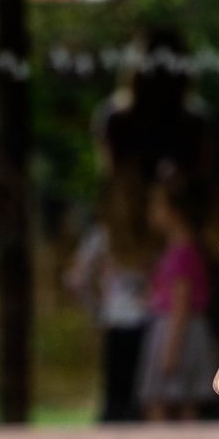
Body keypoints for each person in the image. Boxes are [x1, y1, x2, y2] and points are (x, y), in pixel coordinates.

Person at [66, 181, 153, 422]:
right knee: (139, 394)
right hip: (144, 321)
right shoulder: (147, 234)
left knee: (117, 395)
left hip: (117, 321)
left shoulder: (102, 236)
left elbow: (75, 280)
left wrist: (96, 309)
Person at [136, 168, 215, 421]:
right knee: (185, 402)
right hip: (183, 331)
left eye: (157, 205)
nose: (151, 212)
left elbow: (181, 300)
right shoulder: (182, 250)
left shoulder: (181, 254)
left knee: (162, 402)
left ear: (174, 211)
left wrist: (171, 348)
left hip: (176, 332)